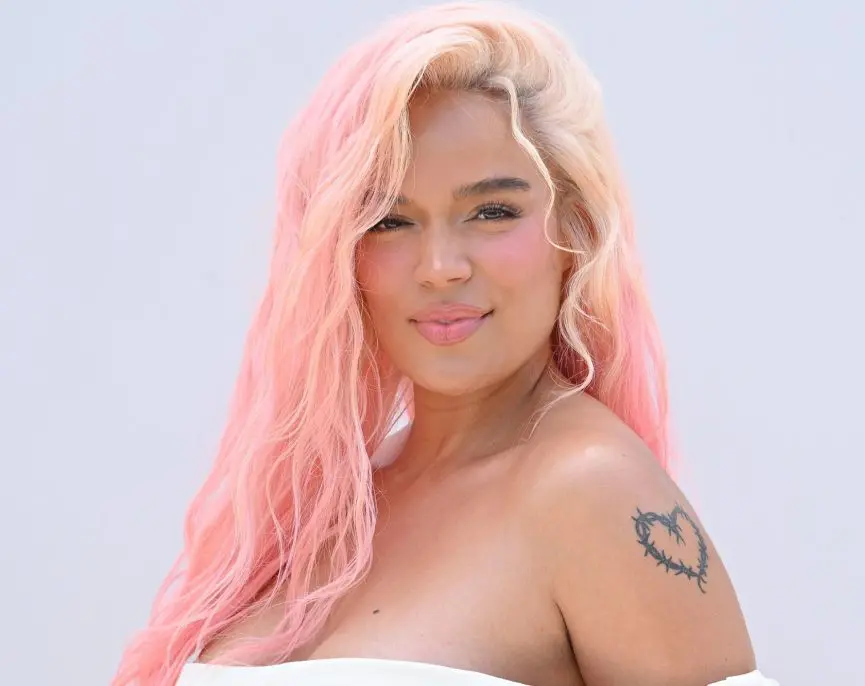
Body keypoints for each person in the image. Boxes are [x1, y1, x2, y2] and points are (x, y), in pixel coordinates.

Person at [113, 2, 778, 685]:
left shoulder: (592, 491)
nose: (439, 267)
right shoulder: (330, 499)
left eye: (491, 211)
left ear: (574, 232)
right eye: (389, 220)